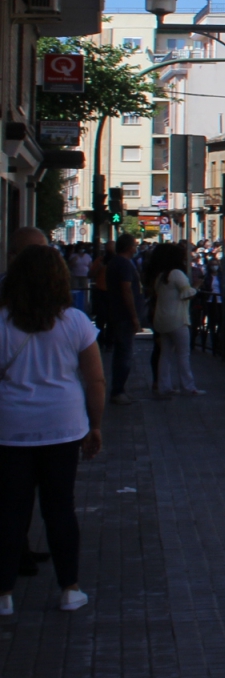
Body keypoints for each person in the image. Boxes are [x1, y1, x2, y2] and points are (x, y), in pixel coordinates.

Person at [0, 246, 105, 616]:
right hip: (63, 426)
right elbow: (95, 379)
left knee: (11, 510)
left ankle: (5, 593)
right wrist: (95, 426)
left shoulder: (1, 322)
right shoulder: (75, 322)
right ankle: (70, 588)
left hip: (10, 428)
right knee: (60, 508)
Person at [148, 244, 200, 398]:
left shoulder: (160, 276)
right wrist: (196, 287)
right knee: (183, 354)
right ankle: (188, 386)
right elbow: (187, 293)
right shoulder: (177, 274)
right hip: (178, 320)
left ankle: (164, 386)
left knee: (165, 355)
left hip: (162, 319)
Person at [101, 234, 141, 406]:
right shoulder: (124, 264)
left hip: (117, 313)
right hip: (123, 315)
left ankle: (119, 389)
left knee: (121, 352)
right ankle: (118, 391)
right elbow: (126, 290)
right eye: (134, 244)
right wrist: (134, 316)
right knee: (124, 353)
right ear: (129, 247)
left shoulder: (115, 262)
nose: (136, 247)